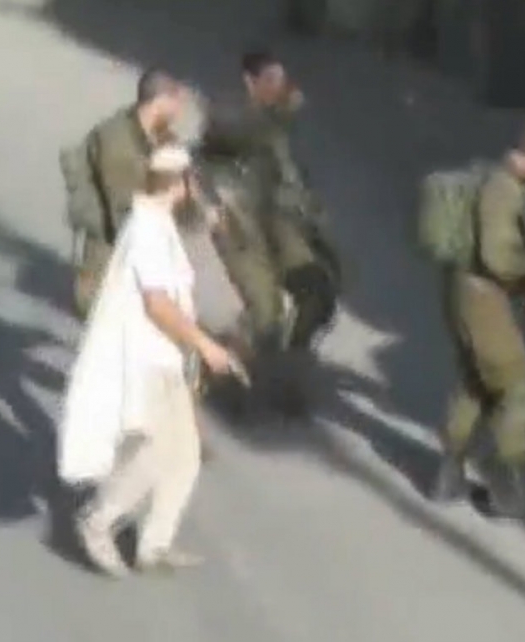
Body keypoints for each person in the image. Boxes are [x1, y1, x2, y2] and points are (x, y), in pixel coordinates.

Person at [58, 145, 243, 577]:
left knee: (186, 456)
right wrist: (206, 346)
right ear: (180, 184)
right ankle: (97, 521)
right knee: (155, 454)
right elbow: (158, 305)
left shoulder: (161, 225)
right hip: (146, 358)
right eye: (192, 181)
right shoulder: (147, 229)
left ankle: (153, 545)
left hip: (165, 357)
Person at [431, 119, 525, 522]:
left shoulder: (485, 176)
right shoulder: (504, 191)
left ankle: (447, 476)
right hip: (483, 302)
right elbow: (497, 257)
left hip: (458, 293)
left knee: (477, 382)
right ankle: (505, 487)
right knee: (521, 393)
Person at [197, 47, 339, 418]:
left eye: (282, 79)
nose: (280, 87)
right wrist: (277, 113)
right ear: (250, 80)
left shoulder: (277, 119)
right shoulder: (229, 110)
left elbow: (289, 169)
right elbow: (234, 134)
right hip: (238, 220)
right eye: (271, 80)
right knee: (265, 311)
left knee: (317, 291)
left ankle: (286, 373)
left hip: (279, 219)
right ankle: (222, 377)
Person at [73, 69, 190, 319]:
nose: (181, 110)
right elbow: (126, 216)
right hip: (111, 260)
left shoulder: (158, 134)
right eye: (176, 102)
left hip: (141, 248)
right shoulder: (118, 145)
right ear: (159, 102)